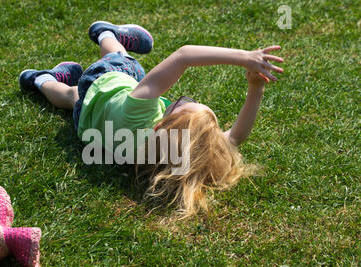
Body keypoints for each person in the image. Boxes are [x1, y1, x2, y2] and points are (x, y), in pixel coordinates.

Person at [19, 21, 284, 217]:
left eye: (182, 104)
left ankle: (105, 33)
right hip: (86, 119)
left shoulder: (140, 110)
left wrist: (244, 58)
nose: (184, 100)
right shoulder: (164, 156)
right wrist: (255, 89)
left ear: (162, 124)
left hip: (105, 79)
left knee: (123, 59)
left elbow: (184, 56)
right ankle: (39, 79)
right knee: (69, 95)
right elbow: (235, 138)